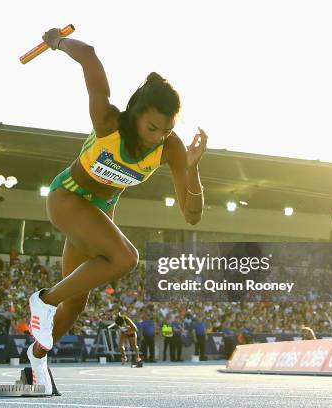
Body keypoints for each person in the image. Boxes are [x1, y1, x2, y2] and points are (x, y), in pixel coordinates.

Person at [26, 27, 208, 394]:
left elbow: (192, 216)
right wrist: (56, 41)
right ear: (137, 113)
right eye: (152, 127)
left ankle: (35, 359)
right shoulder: (108, 121)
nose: (158, 135)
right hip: (68, 198)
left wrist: (192, 167)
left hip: (97, 214)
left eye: (167, 129)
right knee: (125, 258)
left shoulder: (168, 148)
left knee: (76, 303)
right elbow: (90, 55)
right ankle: (42, 301)